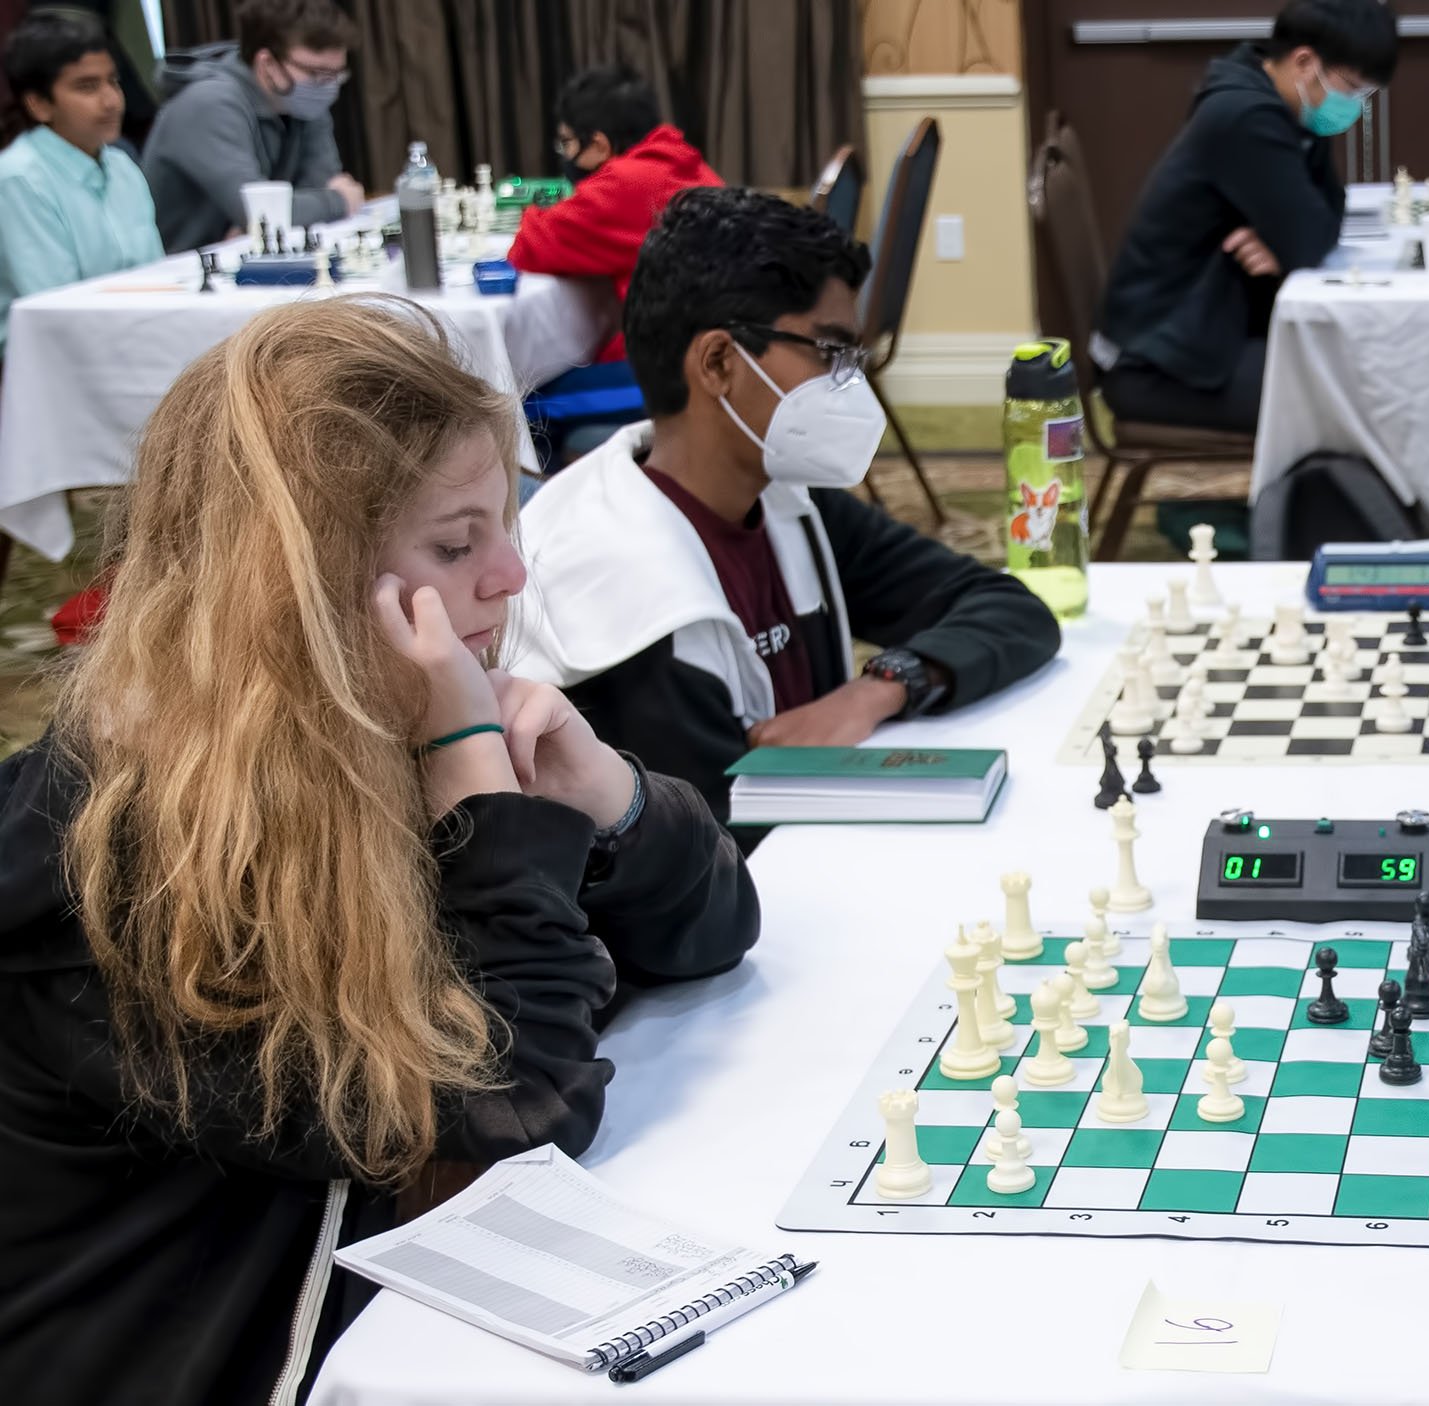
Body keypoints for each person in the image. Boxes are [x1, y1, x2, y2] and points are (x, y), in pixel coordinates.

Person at [0, 295, 758, 1403]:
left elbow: (712, 930)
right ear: (295, 591)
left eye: (507, 523)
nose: (512, 576)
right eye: (458, 543)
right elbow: (515, 1110)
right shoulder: (126, 873)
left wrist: (608, 800)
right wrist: (482, 799)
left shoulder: (357, 730)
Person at [504, 187, 1061, 835]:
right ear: (718, 363)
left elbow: (1011, 611)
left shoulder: (783, 499)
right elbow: (720, 850)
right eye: (829, 353)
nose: (847, 383)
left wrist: (877, 688)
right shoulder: (625, 596)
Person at [1093, 0, 1398, 434]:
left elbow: (1329, 212)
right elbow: (1310, 239)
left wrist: (1289, 239)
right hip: (1157, 363)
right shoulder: (1245, 117)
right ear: (1305, 62)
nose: (1353, 105)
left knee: (1358, 371)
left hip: (1202, 332)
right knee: (1360, 394)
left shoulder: (1274, 101)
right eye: (1350, 88)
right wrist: (1292, 240)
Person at [507, 64, 722, 364]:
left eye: (567, 143)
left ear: (598, 144)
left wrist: (532, 213)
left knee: (530, 394)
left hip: (667, 366)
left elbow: (528, 248)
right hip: (712, 353)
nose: (565, 155)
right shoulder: (684, 162)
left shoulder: (625, 183)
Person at [0, 8, 164, 354]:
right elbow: (57, 309)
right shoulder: (18, 178)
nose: (111, 100)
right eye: (87, 87)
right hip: (51, 362)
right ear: (39, 104)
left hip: (132, 339)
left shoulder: (122, 166)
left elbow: (157, 278)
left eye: (113, 81)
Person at [140, 0, 363, 253]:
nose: (328, 87)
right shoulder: (210, 103)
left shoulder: (302, 100)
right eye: (316, 74)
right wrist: (338, 201)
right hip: (180, 269)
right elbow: (260, 213)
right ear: (267, 63)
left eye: (336, 75)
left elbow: (320, 184)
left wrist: (279, 215)